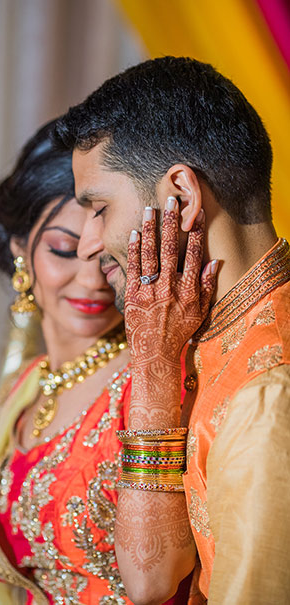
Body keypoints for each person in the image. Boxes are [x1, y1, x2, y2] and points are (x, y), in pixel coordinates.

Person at [55, 56, 290, 604]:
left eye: (98, 208)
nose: (89, 245)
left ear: (180, 197)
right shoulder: (199, 335)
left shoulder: (267, 395)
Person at [0, 119, 196, 604]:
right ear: (19, 250)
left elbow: (161, 576)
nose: (93, 280)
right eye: (63, 250)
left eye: (112, 253)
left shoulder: (155, 376)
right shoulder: (23, 388)